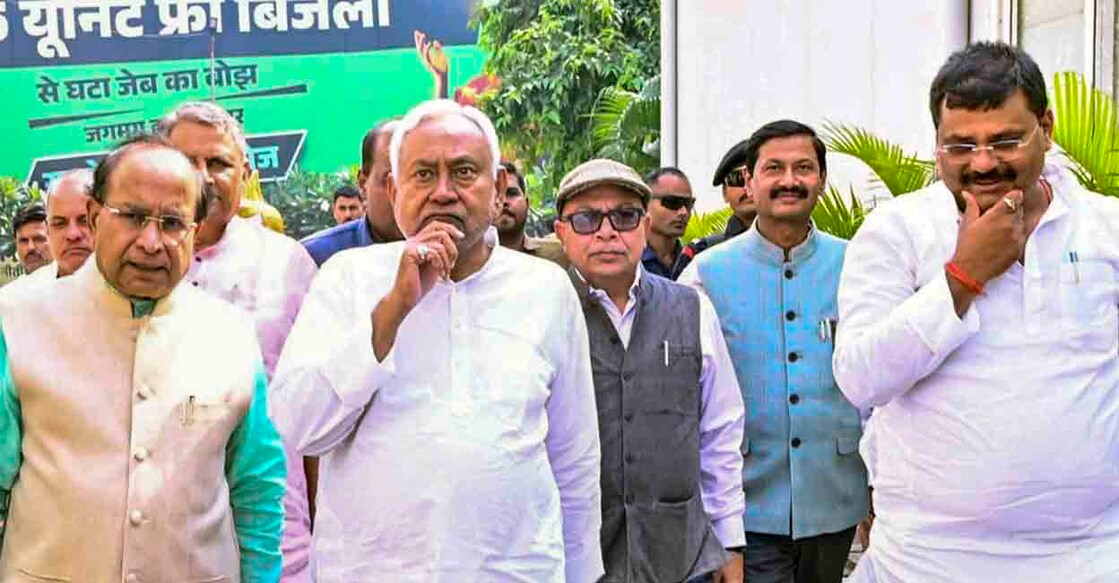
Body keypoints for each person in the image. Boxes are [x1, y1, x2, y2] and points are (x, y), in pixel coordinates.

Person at [269, 99, 604, 582]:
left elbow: (574, 461)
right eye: (423, 174)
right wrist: (393, 309)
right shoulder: (346, 279)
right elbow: (300, 428)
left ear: (498, 192)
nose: (443, 192)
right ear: (393, 188)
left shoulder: (546, 289)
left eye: (464, 172)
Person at [835, 42, 1119, 583]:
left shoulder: (1106, 228)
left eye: (1005, 141)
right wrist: (963, 277)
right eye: (960, 145)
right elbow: (860, 379)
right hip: (925, 562)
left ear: (1047, 128)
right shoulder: (896, 232)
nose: (983, 163)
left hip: (1092, 558)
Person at [0, 136, 286, 580]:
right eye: (132, 217)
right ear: (95, 217)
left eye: (173, 223)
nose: (152, 242)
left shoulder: (230, 333)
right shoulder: (18, 323)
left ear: (195, 230)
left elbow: (256, 491)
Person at [680, 120, 868, 583]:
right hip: (747, 504)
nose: (789, 180)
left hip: (835, 494)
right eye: (774, 168)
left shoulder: (858, 265)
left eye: (803, 167)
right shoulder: (706, 273)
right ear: (750, 179)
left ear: (821, 180)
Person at [555, 158, 746, 583]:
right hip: (575, 562)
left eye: (624, 217)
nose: (607, 232)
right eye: (586, 219)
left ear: (644, 225)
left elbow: (720, 429)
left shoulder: (691, 307)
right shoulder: (543, 312)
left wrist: (729, 541)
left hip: (680, 557)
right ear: (561, 233)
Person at [157, 101, 319, 582]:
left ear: (245, 172)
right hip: (162, 526)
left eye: (219, 163)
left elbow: (317, 411)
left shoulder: (289, 264)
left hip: (276, 530)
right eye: (187, 162)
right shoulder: (136, 267)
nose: (204, 177)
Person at [302, 121, 405, 266]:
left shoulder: (445, 255)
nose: (405, 194)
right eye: (392, 181)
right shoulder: (315, 257)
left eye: (423, 176)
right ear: (363, 183)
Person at [0, 171, 94, 302]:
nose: (73, 234)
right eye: (59, 223)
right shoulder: (12, 301)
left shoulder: (129, 291)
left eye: (84, 221)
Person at [674, 139, 758, 276]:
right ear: (724, 193)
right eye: (737, 178)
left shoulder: (798, 252)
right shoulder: (700, 254)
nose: (747, 187)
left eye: (754, 178)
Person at [496, 160, 567, 266]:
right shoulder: (465, 264)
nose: (504, 201)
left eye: (512, 194)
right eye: (495, 195)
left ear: (527, 203)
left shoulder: (560, 256)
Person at [641, 166, 695, 279]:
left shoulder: (693, 263)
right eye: (672, 203)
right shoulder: (629, 262)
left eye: (688, 204)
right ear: (645, 204)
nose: (683, 212)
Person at [11, 204, 51, 275]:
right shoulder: (14, 286)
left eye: (39, 239)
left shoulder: (73, 284)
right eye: (24, 241)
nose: (31, 247)